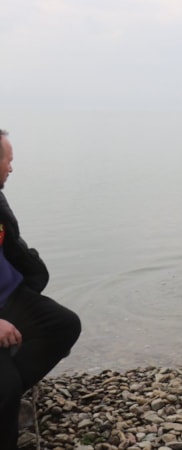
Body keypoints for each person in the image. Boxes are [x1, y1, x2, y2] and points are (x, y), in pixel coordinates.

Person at [0, 129, 82, 449]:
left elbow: (13, 246)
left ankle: (7, 390)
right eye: (8, 160)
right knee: (4, 389)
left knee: (63, 325)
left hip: (12, 296)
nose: (11, 168)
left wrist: (33, 270)